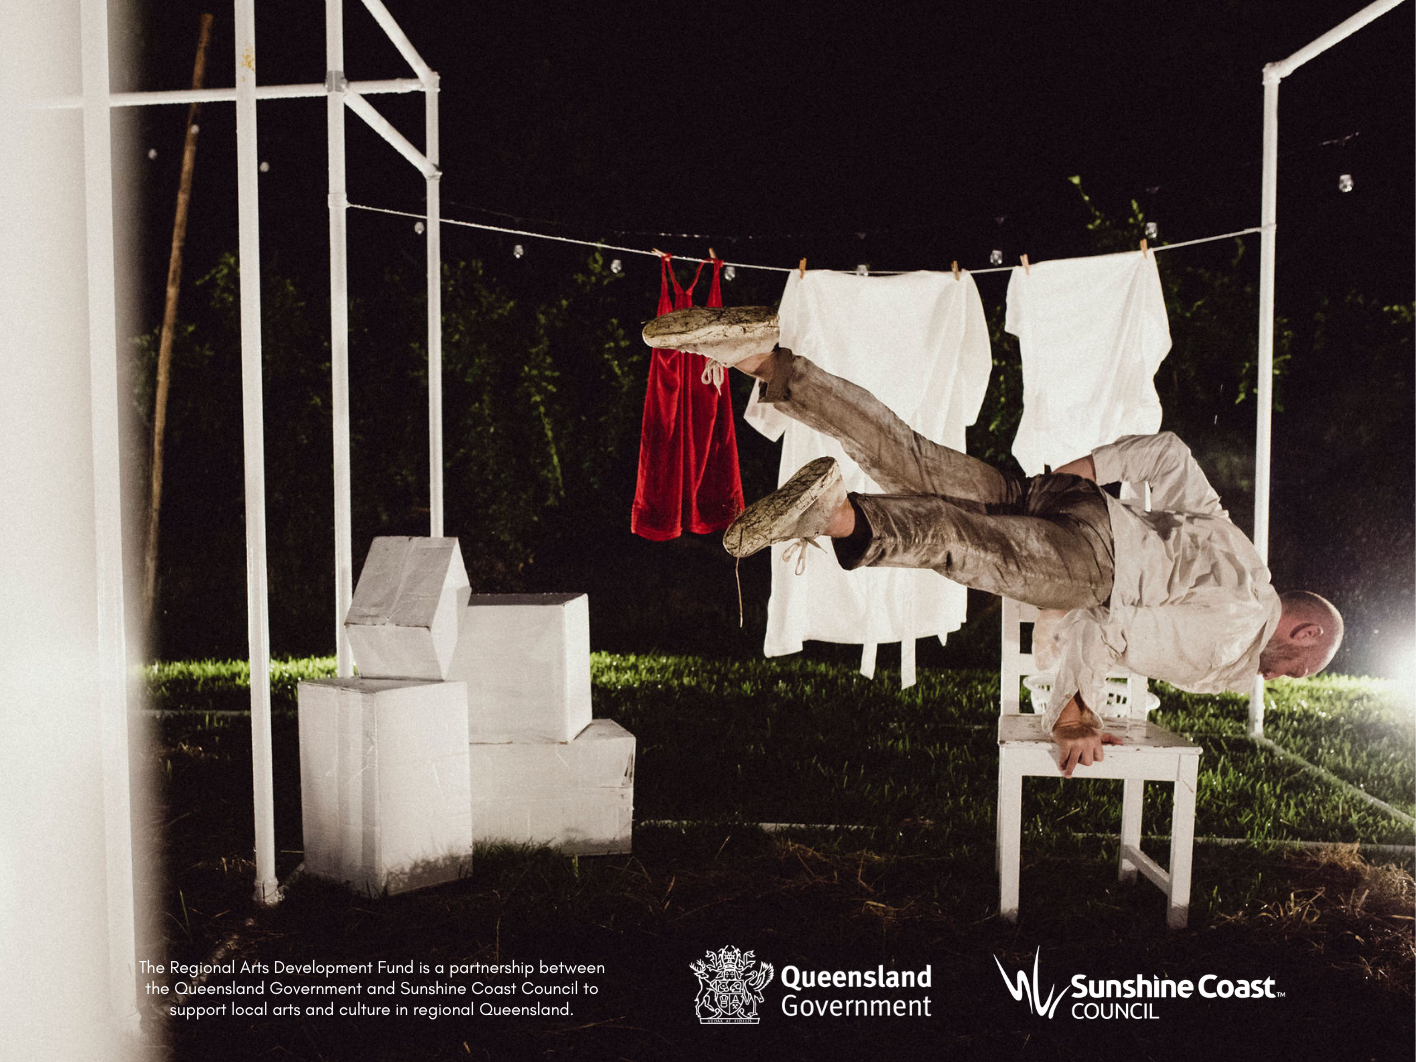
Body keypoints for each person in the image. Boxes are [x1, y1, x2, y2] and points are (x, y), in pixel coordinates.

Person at [643, 305, 1343, 778]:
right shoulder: (1237, 635)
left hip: (1068, 501)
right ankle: (836, 515)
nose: (1282, 680)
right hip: (1092, 565)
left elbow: (1168, 454)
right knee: (965, 545)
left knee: (912, 458)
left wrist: (1082, 474)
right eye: (1300, 670)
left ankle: (762, 358)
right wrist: (1075, 713)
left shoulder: (1239, 551)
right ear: (1304, 631)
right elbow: (1110, 626)